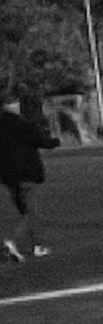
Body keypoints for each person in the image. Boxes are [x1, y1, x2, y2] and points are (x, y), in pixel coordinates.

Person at [0, 95, 60, 262]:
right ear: (15, 106)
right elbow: (43, 141)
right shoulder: (23, 124)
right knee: (30, 212)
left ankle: (37, 245)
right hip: (26, 173)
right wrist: (55, 140)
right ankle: (13, 241)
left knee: (24, 210)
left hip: (7, 176)